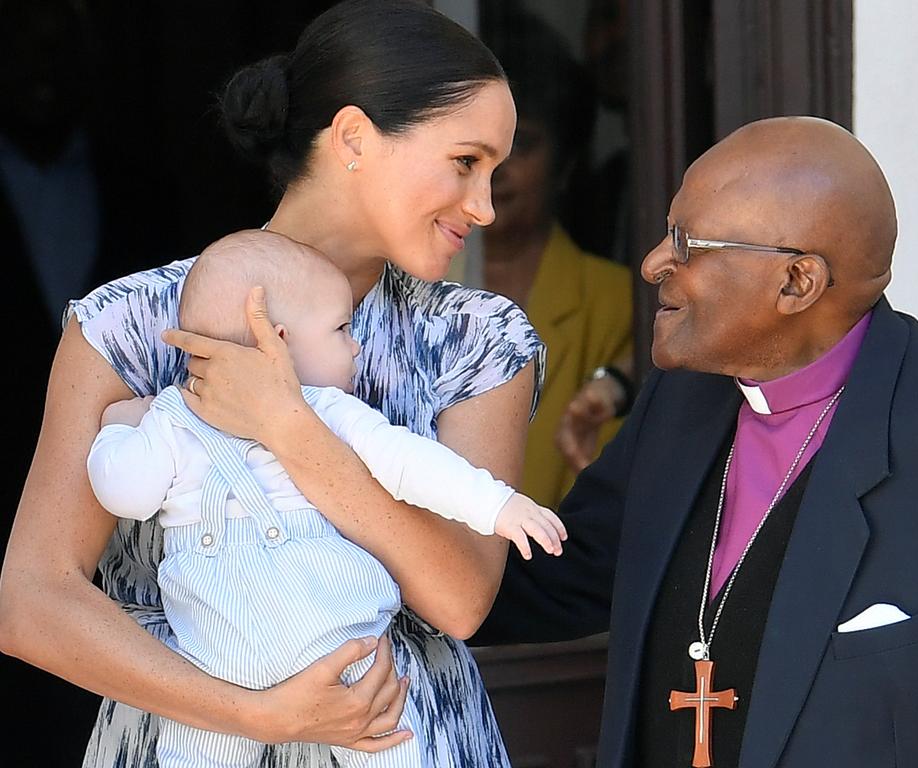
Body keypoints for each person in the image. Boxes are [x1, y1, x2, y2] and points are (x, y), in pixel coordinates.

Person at [0, 2, 542, 766]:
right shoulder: (128, 323)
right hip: (185, 743)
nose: (484, 206)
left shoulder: (480, 339)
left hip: (405, 740)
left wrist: (290, 427)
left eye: (495, 171)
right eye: (465, 162)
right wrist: (261, 715)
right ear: (353, 137)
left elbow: (458, 599)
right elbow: (32, 604)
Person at [474, 116, 918, 767]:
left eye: (686, 242)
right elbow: (565, 575)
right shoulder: (680, 400)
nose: (653, 264)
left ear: (797, 282)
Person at [87, 229, 564, 767]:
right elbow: (126, 494)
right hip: (221, 661)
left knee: (386, 737)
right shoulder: (173, 417)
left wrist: (497, 505)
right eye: (341, 330)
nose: (355, 345)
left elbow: (413, 466)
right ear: (279, 339)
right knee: (202, 745)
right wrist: (121, 431)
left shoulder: (322, 412)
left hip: (323, 639)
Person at [482, 10, 633, 509]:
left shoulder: (617, 301)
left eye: (520, 145)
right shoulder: (401, 285)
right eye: (474, 150)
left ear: (566, 165)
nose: (495, 170)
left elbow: (598, 482)